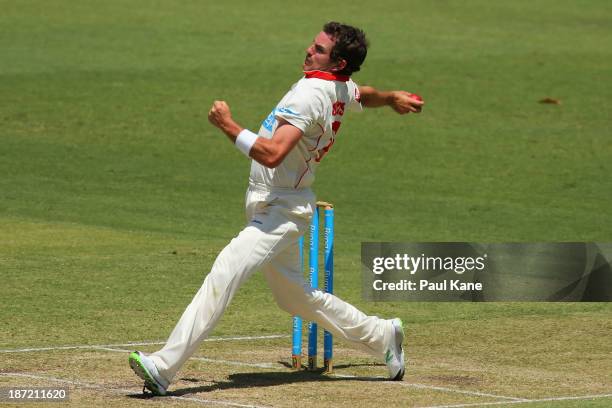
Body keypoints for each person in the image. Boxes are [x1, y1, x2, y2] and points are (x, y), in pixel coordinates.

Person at [129, 21, 424, 396]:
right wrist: (391, 96)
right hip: (276, 200)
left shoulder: (311, 95)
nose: (308, 50)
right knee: (294, 298)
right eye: (313, 44)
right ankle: (383, 335)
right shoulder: (336, 85)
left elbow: (272, 154)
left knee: (226, 271)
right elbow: (361, 94)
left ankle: (163, 367)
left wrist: (228, 125)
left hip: (281, 208)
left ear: (337, 62)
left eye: (319, 49)